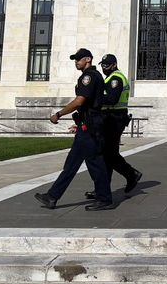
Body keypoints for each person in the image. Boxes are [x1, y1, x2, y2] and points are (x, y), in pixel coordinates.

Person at [34, 48, 112, 211]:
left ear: (88, 59)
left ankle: (54, 196)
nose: (76, 62)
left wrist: (58, 114)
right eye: (75, 59)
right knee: (89, 163)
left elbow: (79, 101)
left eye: (79, 59)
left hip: (90, 127)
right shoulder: (93, 76)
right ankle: (102, 197)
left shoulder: (89, 77)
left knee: (82, 164)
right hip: (90, 124)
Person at [84, 54, 142, 199]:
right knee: (108, 154)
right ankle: (104, 189)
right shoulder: (110, 78)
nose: (104, 68)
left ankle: (130, 174)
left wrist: (94, 97)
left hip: (114, 119)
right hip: (112, 118)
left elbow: (112, 99)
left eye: (107, 65)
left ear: (114, 64)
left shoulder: (116, 78)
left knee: (107, 154)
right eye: (102, 65)